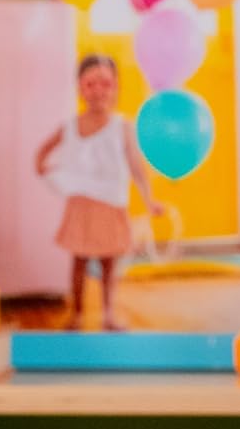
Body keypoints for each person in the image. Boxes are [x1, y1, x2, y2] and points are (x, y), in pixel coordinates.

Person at [34, 53, 165, 331]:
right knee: (79, 261)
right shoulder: (70, 126)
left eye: (105, 84)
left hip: (112, 202)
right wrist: (42, 166)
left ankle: (108, 314)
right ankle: (77, 314)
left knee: (109, 263)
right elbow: (43, 151)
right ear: (80, 88)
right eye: (90, 84)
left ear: (115, 87)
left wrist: (149, 199)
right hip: (81, 203)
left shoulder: (122, 126)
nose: (98, 91)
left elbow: (136, 166)